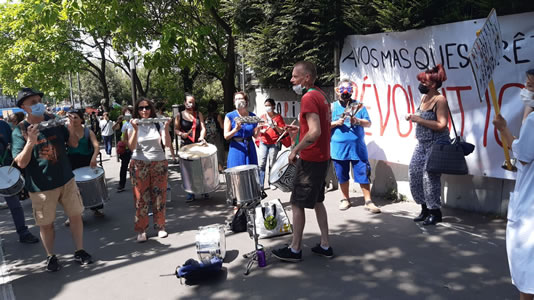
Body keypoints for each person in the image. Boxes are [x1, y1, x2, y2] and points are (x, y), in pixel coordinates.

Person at [11, 88, 92, 272]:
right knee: (46, 224)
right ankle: (51, 256)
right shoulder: (20, 131)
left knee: (75, 216)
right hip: (41, 187)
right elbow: (21, 163)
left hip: (66, 179)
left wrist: (71, 130)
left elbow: (72, 144)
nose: (38, 104)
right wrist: (30, 142)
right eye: (32, 102)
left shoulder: (54, 121)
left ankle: (80, 250)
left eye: (39, 100)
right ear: (24, 107)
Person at [272, 61, 333, 262]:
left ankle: (295, 249)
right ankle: (325, 245)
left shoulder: (308, 97)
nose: (291, 80)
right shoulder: (321, 95)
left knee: (296, 203)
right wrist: (300, 131)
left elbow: (315, 132)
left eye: (295, 76)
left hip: (311, 159)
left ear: (306, 77)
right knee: (318, 201)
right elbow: (319, 127)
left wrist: (295, 149)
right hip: (322, 157)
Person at [493, 69, 534, 300]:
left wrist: (503, 128)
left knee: (527, 275)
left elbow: (522, 154)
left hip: (530, 208)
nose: (526, 90)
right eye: (527, 84)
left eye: (531, 86)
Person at [405, 64, 449, 226]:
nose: (421, 84)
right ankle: (424, 208)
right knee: (414, 173)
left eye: (424, 82)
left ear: (433, 85)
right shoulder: (424, 98)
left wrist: (419, 119)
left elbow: (442, 124)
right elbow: (422, 117)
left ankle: (434, 212)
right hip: (422, 143)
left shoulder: (440, 100)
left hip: (436, 144)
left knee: (429, 177)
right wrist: (412, 116)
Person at [331, 79, 380, 213]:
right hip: (338, 149)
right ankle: (345, 199)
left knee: (363, 172)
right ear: (337, 91)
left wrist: (356, 120)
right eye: (342, 91)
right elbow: (324, 125)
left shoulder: (358, 106)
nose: (345, 94)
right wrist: (336, 123)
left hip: (357, 148)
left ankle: (368, 201)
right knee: (342, 175)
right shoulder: (332, 107)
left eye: (348, 91)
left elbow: (368, 123)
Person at [128, 99, 172, 242]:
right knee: (141, 197)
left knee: (159, 196)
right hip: (139, 163)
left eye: (147, 108)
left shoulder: (157, 122)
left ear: (151, 109)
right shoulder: (133, 124)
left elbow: (167, 143)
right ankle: (141, 229)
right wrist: (135, 130)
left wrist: (165, 128)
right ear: (137, 110)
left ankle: (160, 226)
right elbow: (131, 147)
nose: (144, 111)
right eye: (141, 108)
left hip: (158, 162)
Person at [0, 118, 39, 244]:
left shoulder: (3, 125)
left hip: (6, 172)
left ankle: (23, 233)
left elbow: (13, 146)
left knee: (15, 206)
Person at [67, 109, 104, 217]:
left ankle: (96, 208)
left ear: (81, 119)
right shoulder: (67, 131)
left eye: (76, 117)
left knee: (92, 186)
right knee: (73, 189)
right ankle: (75, 214)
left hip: (87, 160)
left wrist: (93, 158)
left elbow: (96, 146)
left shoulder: (88, 131)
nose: (73, 120)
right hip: (72, 161)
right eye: (71, 117)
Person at [175, 94, 207, 201]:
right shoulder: (179, 115)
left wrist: (202, 136)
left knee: (200, 168)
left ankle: (203, 189)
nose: (191, 104)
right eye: (189, 102)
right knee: (187, 170)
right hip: (186, 145)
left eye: (192, 102)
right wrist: (180, 134)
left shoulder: (198, 114)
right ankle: (190, 192)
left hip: (197, 144)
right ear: (184, 103)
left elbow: (202, 127)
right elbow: (176, 129)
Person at [257, 98, 286, 195]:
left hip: (274, 143)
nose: (267, 107)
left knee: (272, 163)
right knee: (261, 163)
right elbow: (257, 130)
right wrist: (261, 131)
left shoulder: (278, 117)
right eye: (266, 105)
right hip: (263, 142)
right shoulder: (262, 117)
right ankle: (261, 185)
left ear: (273, 106)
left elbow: (282, 131)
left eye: (269, 105)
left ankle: (271, 182)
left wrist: (275, 126)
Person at [224, 92, 259, 168]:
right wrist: (235, 130)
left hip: (250, 147)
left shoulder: (253, 116)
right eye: (236, 99)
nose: (238, 101)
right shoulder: (229, 116)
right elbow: (226, 136)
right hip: (236, 147)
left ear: (246, 101)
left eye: (240, 99)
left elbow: (256, 136)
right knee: (236, 173)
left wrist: (259, 128)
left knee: (250, 173)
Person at [113, 107, 133, 193]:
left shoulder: (136, 121)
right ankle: (121, 184)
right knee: (124, 166)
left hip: (135, 147)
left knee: (135, 166)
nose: (127, 114)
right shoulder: (123, 122)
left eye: (129, 112)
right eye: (126, 113)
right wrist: (118, 121)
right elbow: (113, 129)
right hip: (126, 148)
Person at [204, 100, 225, 172]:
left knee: (210, 151)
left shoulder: (206, 116)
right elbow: (222, 126)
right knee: (219, 151)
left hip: (208, 136)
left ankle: (212, 167)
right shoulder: (217, 116)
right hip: (217, 136)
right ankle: (220, 167)